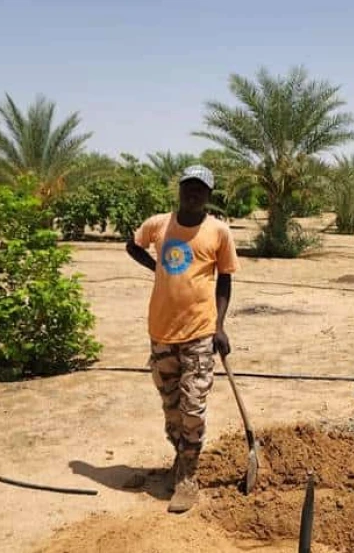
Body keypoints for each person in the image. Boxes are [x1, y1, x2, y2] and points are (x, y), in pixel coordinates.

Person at [126, 164, 240, 513]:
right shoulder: (158, 225)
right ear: (179, 190)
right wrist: (155, 267)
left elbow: (224, 280)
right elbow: (132, 246)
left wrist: (219, 326)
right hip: (160, 333)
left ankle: (188, 475)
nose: (193, 193)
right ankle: (181, 458)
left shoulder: (218, 231)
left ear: (208, 195)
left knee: (192, 408)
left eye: (200, 189)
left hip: (200, 333)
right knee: (172, 409)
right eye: (188, 187)